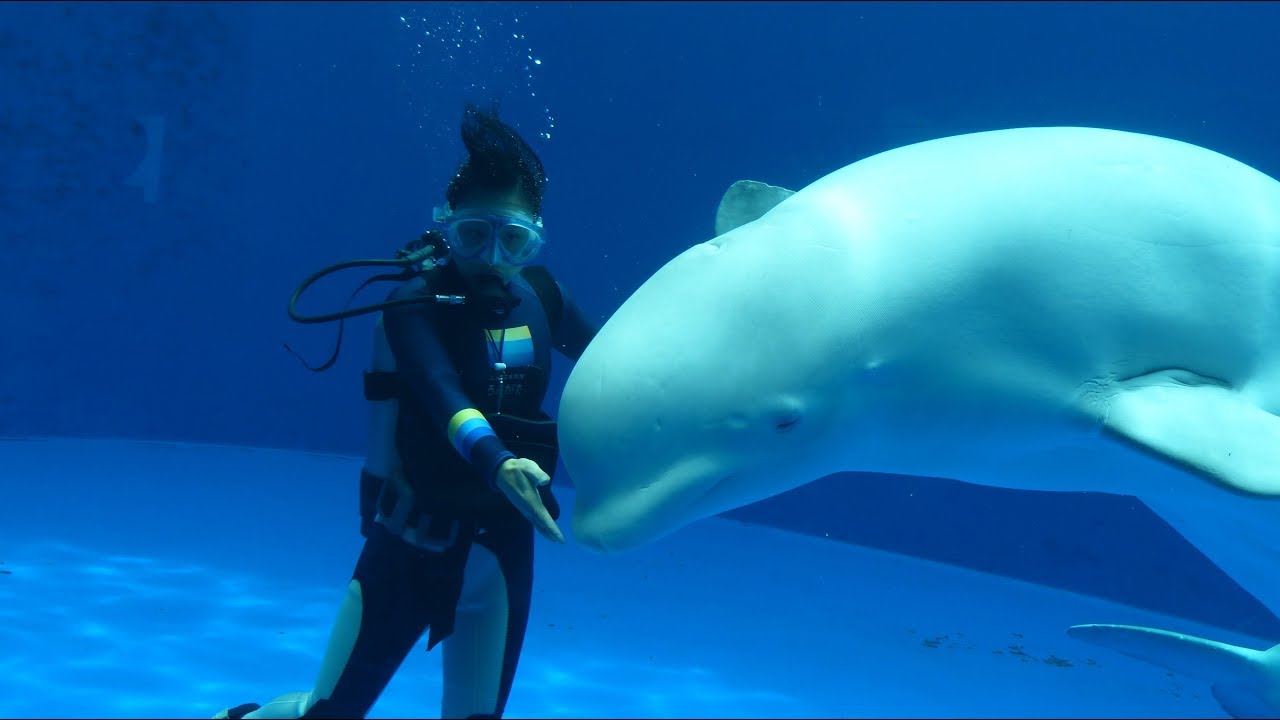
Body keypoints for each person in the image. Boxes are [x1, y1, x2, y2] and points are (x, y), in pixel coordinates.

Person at [216, 104, 599, 720]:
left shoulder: (547, 297)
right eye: (475, 235)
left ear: (536, 236)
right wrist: (500, 463)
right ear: (446, 227)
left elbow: (612, 364)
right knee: (329, 715)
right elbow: (441, 389)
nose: (493, 258)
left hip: (502, 547)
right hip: (410, 541)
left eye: (515, 240)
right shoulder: (413, 304)